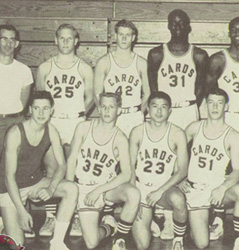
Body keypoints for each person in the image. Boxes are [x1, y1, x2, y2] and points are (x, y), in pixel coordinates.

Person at [36, 23, 94, 237]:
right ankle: (51, 217)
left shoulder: (84, 68)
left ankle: (77, 216)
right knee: (51, 168)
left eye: (70, 38)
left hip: (75, 122)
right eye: (62, 38)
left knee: (76, 171)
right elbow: (40, 99)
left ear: (76, 41)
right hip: (53, 122)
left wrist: (80, 115)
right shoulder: (44, 68)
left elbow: (90, 97)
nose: (66, 42)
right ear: (55, 40)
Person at [0, 91, 78, 250]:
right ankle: (5, 225)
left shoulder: (52, 130)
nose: (41, 113)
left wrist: (51, 188)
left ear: (52, 110)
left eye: (45, 108)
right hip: (9, 189)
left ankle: (57, 243)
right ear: (30, 110)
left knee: (71, 188)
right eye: (37, 108)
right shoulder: (15, 133)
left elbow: (62, 165)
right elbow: (8, 177)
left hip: (34, 183)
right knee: (17, 246)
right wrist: (21, 212)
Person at [66, 92, 140, 250]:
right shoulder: (84, 127)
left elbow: (126, 173)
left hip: (106, 189)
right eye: (104, 107)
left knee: (134, 194)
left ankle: (120, 238)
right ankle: (109, 227)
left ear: (118, 110)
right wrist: (70, 188)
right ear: (98, 109)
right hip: (83, 187)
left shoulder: (120, 138)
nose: (107, 111)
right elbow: (71, 159)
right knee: (91, 243)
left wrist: (99, 190)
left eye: (111, 107)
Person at [180, 87, 239, 250]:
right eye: (211, 103)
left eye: (219, 103)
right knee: (202, 243)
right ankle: (192, 226)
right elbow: (175, 151)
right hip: (195, 188)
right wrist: (180, 178)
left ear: (226, 107)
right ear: (205, 106)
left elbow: (238, 170)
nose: (215, 107)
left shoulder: (233, 136)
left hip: (217, 188)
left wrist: (223, 187)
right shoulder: (194, 128)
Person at [130, 91, 188, 250]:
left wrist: (160, 190)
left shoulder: (177, 133)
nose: (159, 111)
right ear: (147, 108)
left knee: (178, 199)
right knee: (142, 245)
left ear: (170, 111)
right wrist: (134, 197)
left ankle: (178, 239)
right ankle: (151, 221)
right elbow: (129, 168)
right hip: (142, 187)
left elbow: (182, 170)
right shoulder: (137, 131)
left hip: (164, 189)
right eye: (155, 106)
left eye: (164, 107)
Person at [148, 9, 209, 130]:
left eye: (181, 23)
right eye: (173, 23)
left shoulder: (199, 55)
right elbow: (153, 87)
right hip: (165, 110)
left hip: (188, 109)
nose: (177, 26)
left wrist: (190, 104)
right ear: (168, 26)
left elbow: (201, 87)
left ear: (188, 26)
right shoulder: (156, 54)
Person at [94, 19, 150, 137]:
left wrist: (140, 113)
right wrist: (105, 113)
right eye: (121, 35)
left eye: (128, 35)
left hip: (133, 114)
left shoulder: (141, 63)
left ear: (133, 37)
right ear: (115, 36)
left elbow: (147, 93)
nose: (124, 39)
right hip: (113, 115)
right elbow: (97, 94)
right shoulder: (104, 62)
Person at [0, 24, 33, 159]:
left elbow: (22, 104)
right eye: (4, 38)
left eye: (12, 39)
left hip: (14, 122)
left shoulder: (24, 70)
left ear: (17, 44)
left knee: (11, 165)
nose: (8, 43)